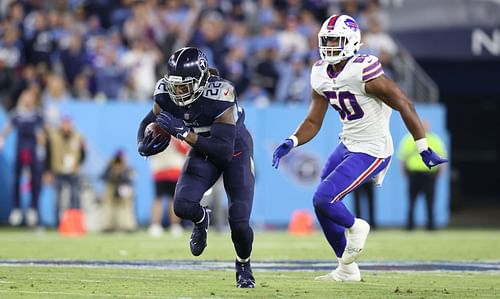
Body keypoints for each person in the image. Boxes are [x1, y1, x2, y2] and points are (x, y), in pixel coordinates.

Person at [272, 14, 447, 282]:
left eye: (336, 40)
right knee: (322, 204)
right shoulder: (320, 71)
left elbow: (404, 102)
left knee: (323, 197)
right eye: (326, 40)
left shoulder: (363, 69)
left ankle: (356, 226)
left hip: (373, 148)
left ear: (352, 42)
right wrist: (292, 141)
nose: (330, 46)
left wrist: (422, 146)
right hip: (348, 144)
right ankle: (347, 269)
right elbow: (313, 120)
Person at [136, 47, 256, 288]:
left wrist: (184, 133)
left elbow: (223, 152)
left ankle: (243, 265)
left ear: (201, 81)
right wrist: (142, 144)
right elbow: (150, 120)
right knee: (181, 205)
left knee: (239, 222)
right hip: (202, 150)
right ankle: (202, 220)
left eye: (184, 86)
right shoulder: (166, 93)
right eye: (174, 86)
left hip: (234, 150)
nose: (177, 93)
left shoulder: (220, 93)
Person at [0, 88, 46, 227]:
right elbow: (8, 128)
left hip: (33, 152)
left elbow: (42, 133)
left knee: (36, 182)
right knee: (17, 180)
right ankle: (16, 209)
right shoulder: (17, 114)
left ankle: (33, 209)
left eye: (30, 96)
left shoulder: (37, 114)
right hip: (20, 151)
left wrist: (41, 148)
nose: (28, 99)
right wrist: (2, 139)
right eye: (25, 96)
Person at [398, 121, 447, 231]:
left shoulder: (434, 139)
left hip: (429, 175)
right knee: (412, 201)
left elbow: (442, 156)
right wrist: (405, 173)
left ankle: (431, 225)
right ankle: (410, 226)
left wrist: (440, 174)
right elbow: (402, 158)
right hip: (414, 174)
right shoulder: (409, 139)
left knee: (430, 202)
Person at [45, 115, 86, 224]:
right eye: (64, 123)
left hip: (72, 171)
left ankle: (75, 223)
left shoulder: (78, 136)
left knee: (75, 197)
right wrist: (47, 171)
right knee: (58, 199)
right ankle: (58, 223)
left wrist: (79, 164)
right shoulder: (53, 136)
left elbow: (83, 153)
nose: (66, 126)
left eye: (68, 123)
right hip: (57, 170)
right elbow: (48, 154)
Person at [147, 138, 189, 237]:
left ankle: (170, 225)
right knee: (165, 200)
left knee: (165, 200)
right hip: (165, 170)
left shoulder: (156, 134)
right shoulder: (174, 134)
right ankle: (159, 225)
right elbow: (184, 150)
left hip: (165, 171)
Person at [100, 150, 137, 232]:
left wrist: (122, 172)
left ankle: (128, 226)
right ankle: (107, 226)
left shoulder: (127, 168)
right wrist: (111, 170)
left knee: (125, 207)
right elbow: (102, 177)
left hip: (123, 188)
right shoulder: (110, 166)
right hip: (111, 188)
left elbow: (129, 180)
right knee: (108, 207)